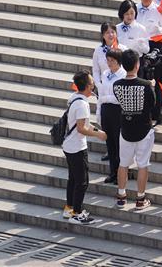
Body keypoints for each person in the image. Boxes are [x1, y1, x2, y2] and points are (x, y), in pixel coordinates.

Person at [113, 49, 159, 210]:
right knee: (142, 165)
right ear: (137, 64)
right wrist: (151, 86)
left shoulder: (117, 85)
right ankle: (140, 198)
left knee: (123, 164)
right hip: (144, 129)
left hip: (125, 128)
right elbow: (152, 104)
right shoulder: (145, 85)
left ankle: (121, 196)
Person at [61, 71, 108, 225]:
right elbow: (81, 128)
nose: (94, 84)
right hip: (76, 147)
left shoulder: (74, 98)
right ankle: (77, 213)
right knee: (82, 181)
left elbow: (83, 125)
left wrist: (97, 130)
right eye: (92, 82)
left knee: (73, 179)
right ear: (88, 86)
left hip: (69, 145)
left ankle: (69, 208)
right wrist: (98, 135)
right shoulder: (82, 104)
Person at [94, 44, 126, 184]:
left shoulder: (123, 74)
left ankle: (121, 174)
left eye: (112, 60)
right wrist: (99, 112)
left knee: (119, 144)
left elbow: (120, 97)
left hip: (117, 111)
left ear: (118, 61)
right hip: (106, 110)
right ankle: (113, 172)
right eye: (108, 60)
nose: (109, 63)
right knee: (110, 144)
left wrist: (107, 99)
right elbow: (102, 94)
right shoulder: (105, 74)